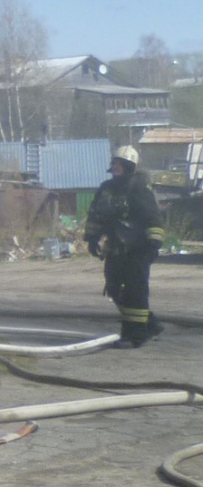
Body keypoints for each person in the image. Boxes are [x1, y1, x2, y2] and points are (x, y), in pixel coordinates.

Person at [85, 144, 165, 348]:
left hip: (137, 250)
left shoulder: (138, 187)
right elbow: (95, 214)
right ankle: (150, 323)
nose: (115, 167)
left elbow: (153, 217)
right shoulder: (106, 188)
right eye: (114, 163)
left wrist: (152, 244)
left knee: (135, 292)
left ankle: (135, 335)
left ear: (130, 166)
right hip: (115, 249)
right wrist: (92, 238)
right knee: (113, 288)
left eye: (120, 164)